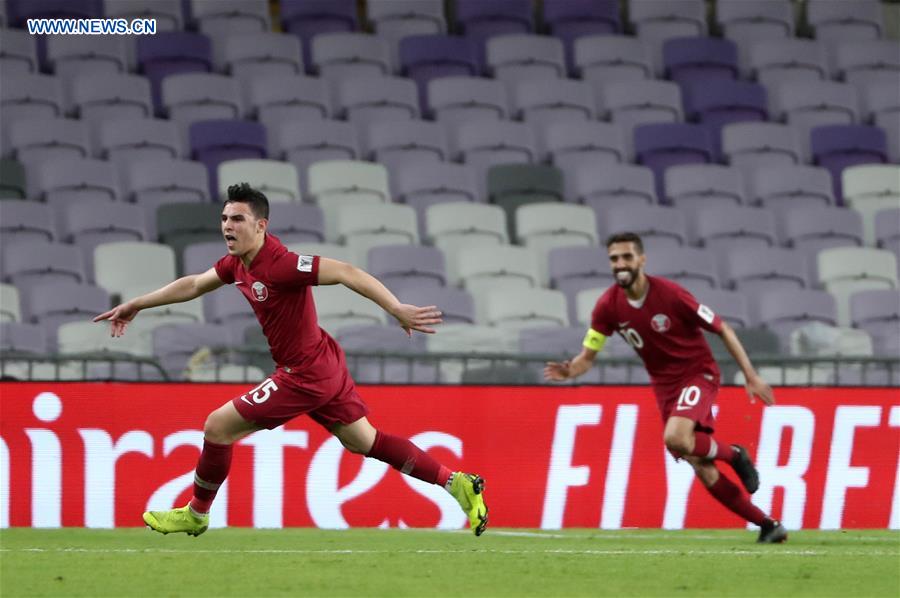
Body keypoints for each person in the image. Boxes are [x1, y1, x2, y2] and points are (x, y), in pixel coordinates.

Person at [94, 183, 488, 537]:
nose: (228, 226)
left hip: (305, 374)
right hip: (321, 362)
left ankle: (196, 513)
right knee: (365, 441)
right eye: (225, 218)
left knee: (217, 427)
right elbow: (195, 284)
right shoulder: (236, 264)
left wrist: (396, 307)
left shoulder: (282, 265)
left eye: (238, 219)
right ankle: (456, 483)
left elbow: (347, 272)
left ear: (261, 225)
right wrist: (138, 304)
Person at [544, 232, 787, 543]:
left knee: (675, 437)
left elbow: (721, 327)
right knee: (701, 466)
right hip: (665, 387)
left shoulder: (671, 294)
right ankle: (768, 525)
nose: (620, 264)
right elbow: (587, 357)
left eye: (627, 257)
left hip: (698, 373)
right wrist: (570, 370)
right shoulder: (607, 306)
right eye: (614, 259)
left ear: (641, 260)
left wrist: (750, 375)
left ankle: (736, 454)